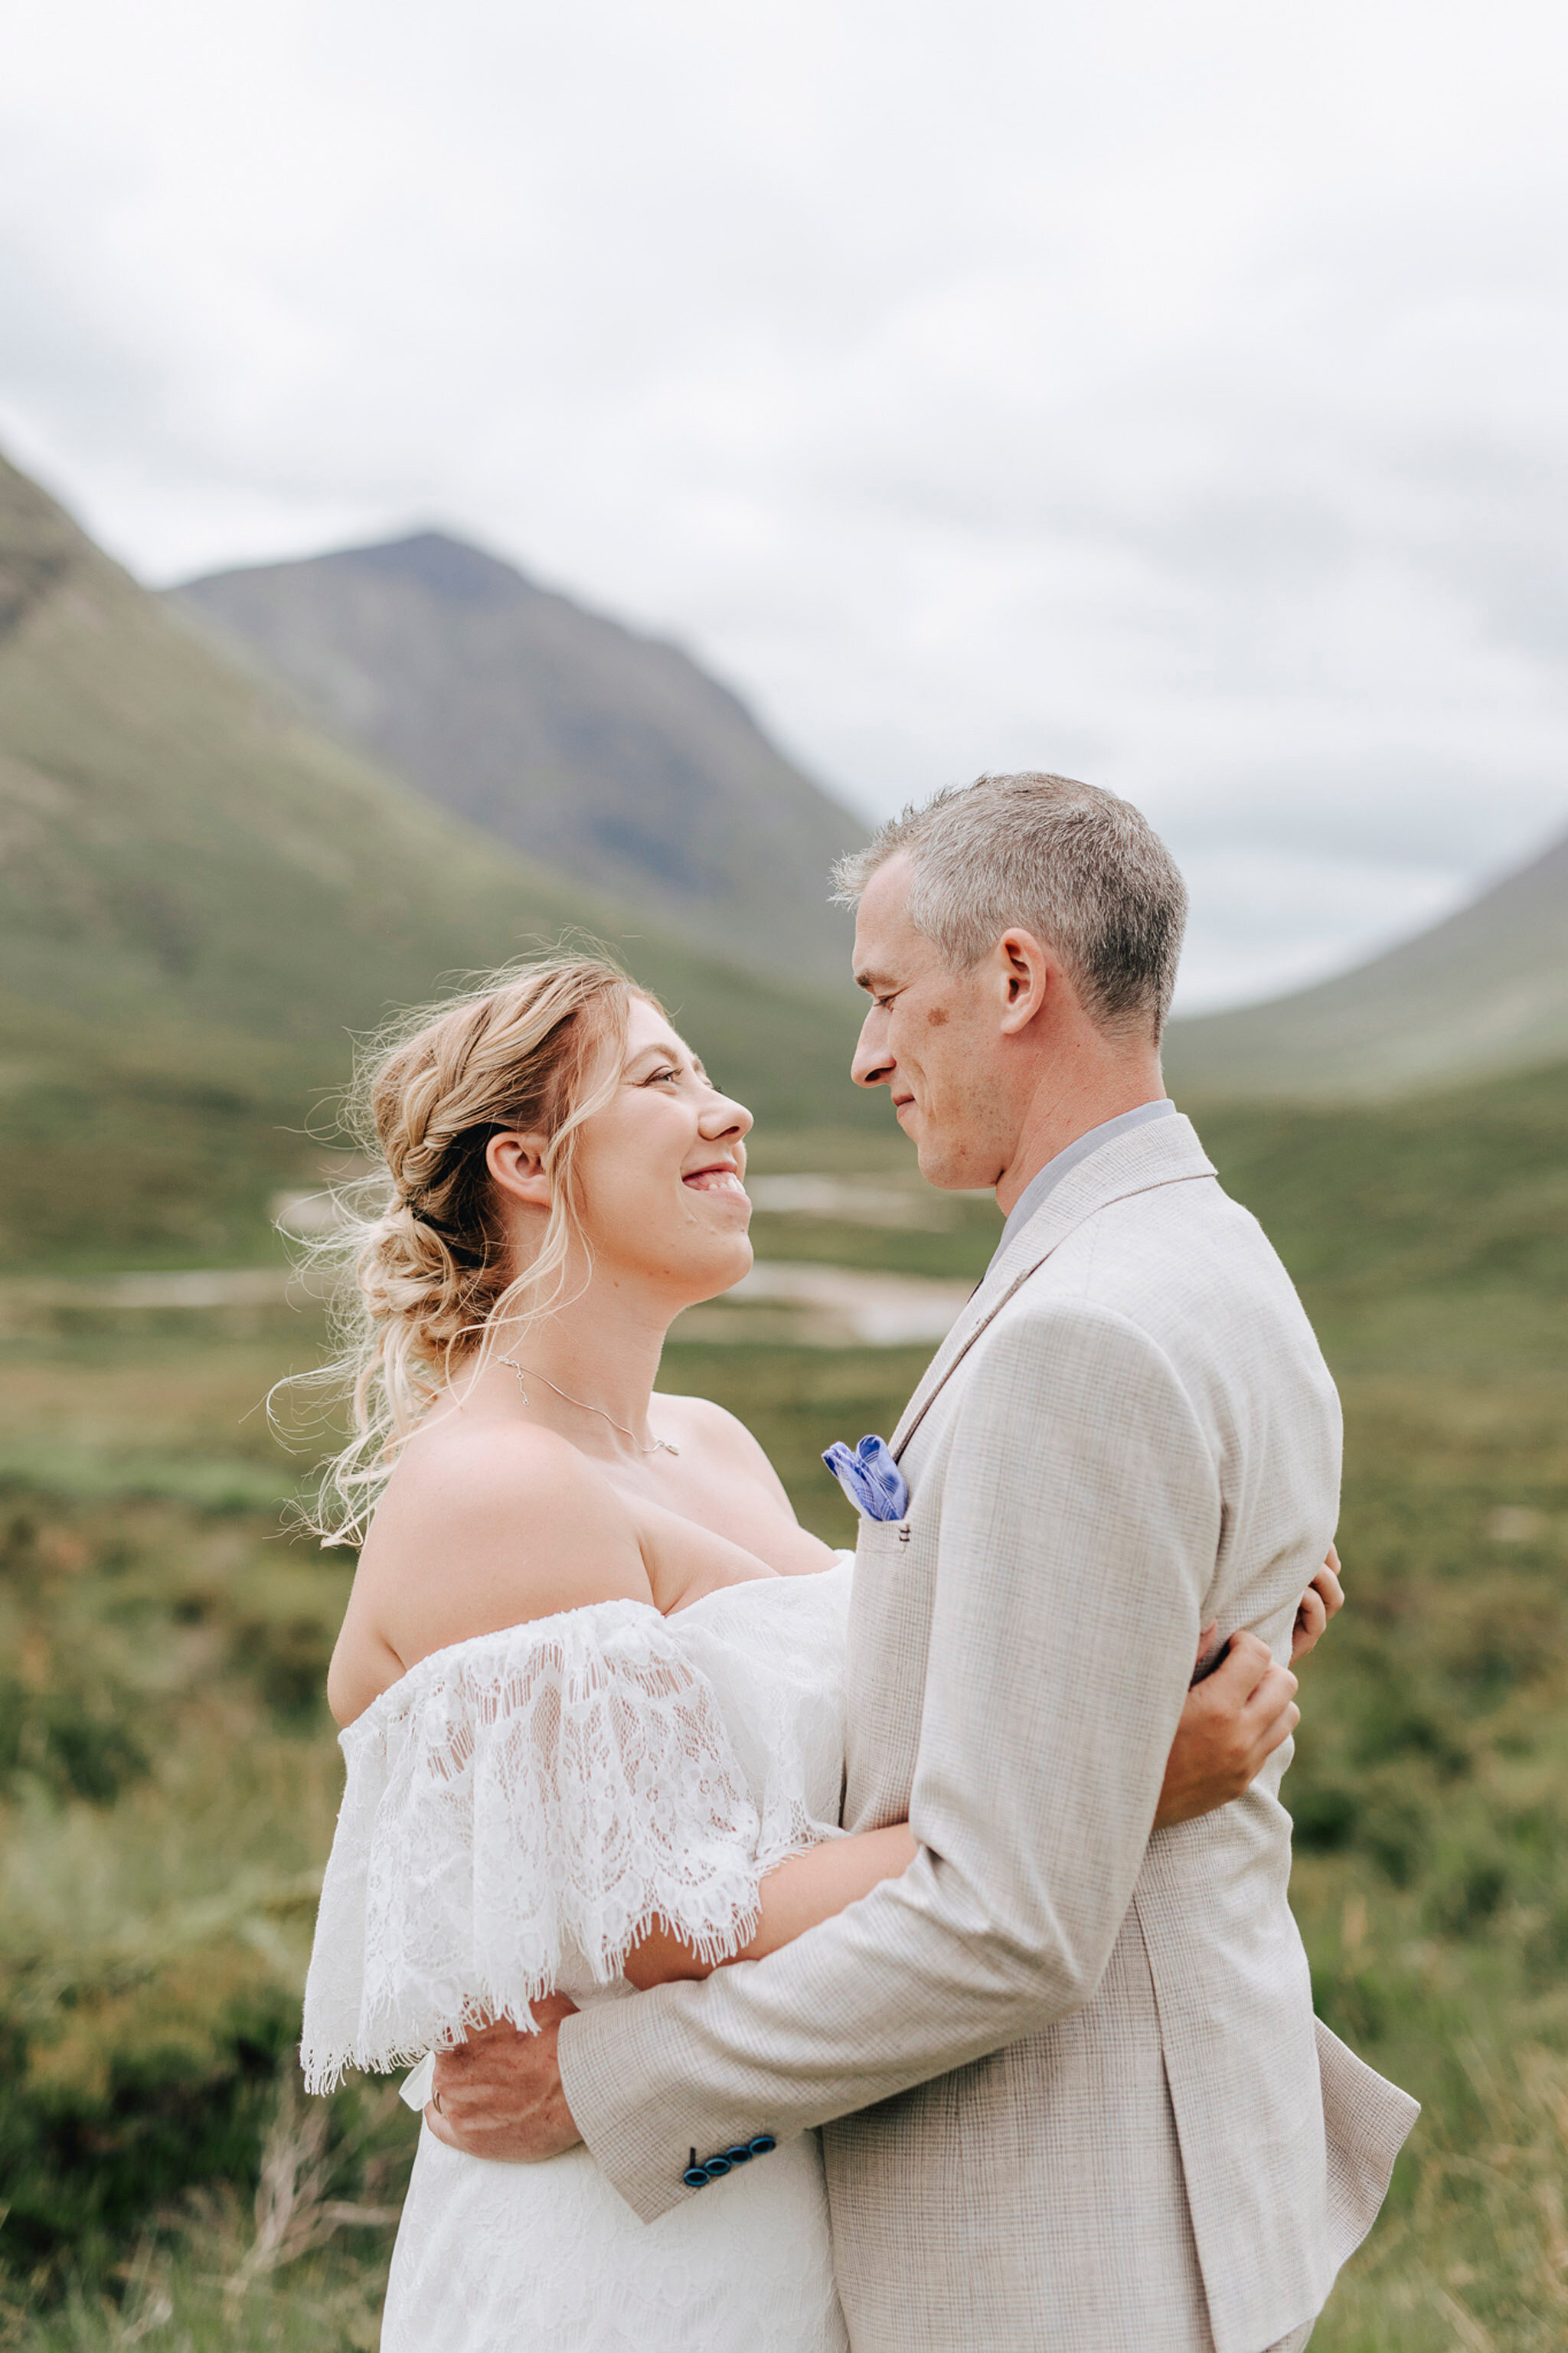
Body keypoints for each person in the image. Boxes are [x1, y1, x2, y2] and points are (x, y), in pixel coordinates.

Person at [426, 778, 1419, 2353]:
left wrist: (607, 2083)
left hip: (1070, 2243)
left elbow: (1003, 1920)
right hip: (1175, 2184)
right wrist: (1117, 1757)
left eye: (886, 996)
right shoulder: (1213, 1250)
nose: (865, 1055)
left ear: (1014, 980)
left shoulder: (1076, 1331)